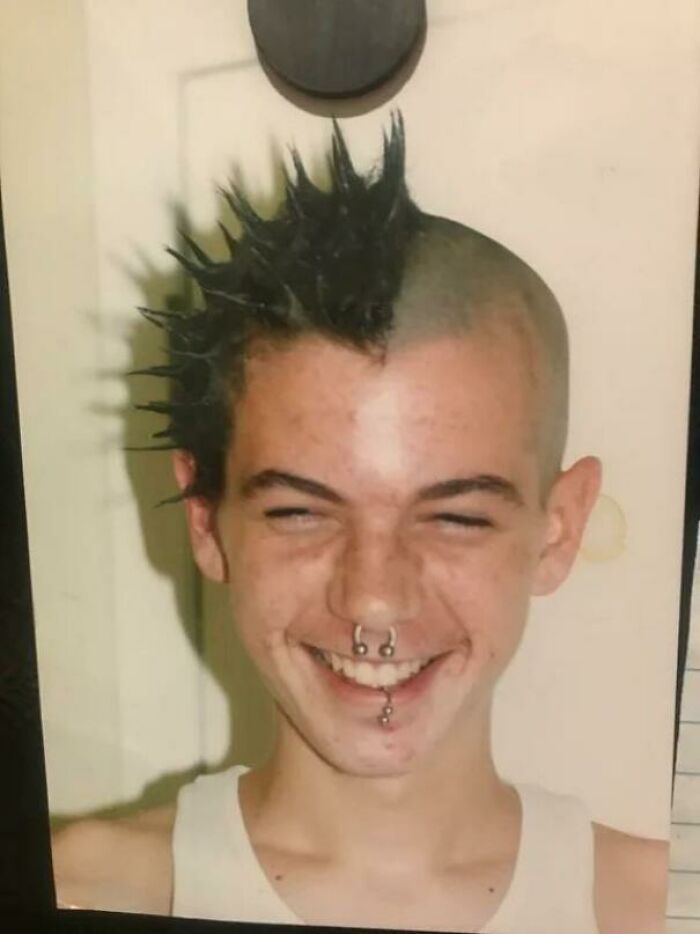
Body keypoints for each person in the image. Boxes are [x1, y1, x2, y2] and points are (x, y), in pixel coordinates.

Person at [52, 115, 668, 933]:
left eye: (454, 517)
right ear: (208, 524)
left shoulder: (659, 906)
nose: (375, 601)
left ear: (556, 532)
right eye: (301, 512)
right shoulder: (72, 891)